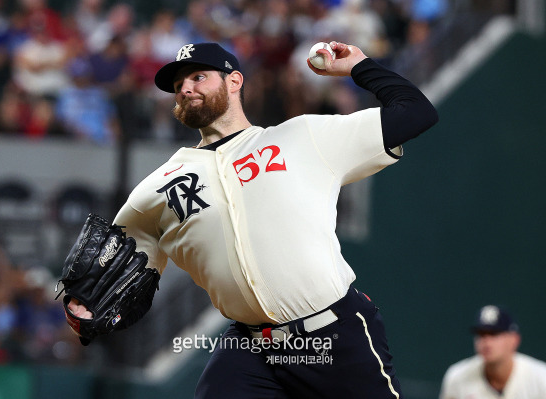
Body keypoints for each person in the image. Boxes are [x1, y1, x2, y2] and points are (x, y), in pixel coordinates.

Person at [68, 41, 438, 398]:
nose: (185, 89)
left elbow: (415, 112)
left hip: (334, 333)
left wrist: (359, 66)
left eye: (198, 77)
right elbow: (115, 271)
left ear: (234, 81)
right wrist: (85, 304)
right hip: (250, 348)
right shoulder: (156, 189)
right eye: (179, 84)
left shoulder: (303, 136)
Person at [440, 305, 546, 399]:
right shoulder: (457, 377)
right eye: (481, 334)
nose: (486, 342)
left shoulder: (541, 378)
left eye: (494, 334)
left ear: (514, 340)